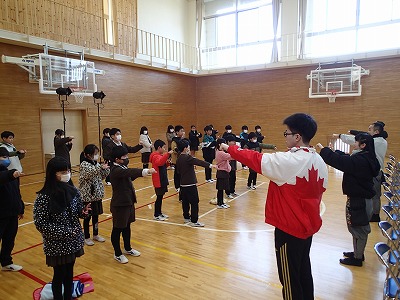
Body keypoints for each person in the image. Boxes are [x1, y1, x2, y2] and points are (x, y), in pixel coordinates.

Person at [219, 113, 328, 300]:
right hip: (307, 227)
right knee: (303, 272)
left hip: (290, 229)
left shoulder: (291, 161)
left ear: (297, 136)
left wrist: (232, 149)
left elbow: (258, 160)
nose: (285, 136)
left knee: (290, 280)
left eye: (287, 133)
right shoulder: (318, 160)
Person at [317, 133, 380, 267]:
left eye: (356, 142)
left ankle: (358, 258)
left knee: (359, 228)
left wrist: (324, 151)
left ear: (363, 145)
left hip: (360, 201)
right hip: (360, 199)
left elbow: (343, 162)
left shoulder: (362, 160)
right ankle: (357, 252)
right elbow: (347, 158)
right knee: (356, 226)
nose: (354, 144)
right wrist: (333, 151)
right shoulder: (365, 157)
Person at [33, 156, 90, 300]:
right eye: (62, 171)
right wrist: (66, 232)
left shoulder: (73, 191)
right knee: (59, 275)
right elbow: (41, 224)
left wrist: (83, 212)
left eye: (68, 170)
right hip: (57, 245)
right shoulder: (44, 197)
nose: (67, 174)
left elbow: (77, 212)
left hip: (73, 242)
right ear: (53, 174)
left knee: (69, 273)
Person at [333, 120, 388, 222]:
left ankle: (374, 215)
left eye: (370, 129)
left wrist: (341, 136)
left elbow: (357, 139)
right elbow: (363, 135)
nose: (368, 131)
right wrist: (354, 131)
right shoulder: (381, 140)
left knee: (374, 195)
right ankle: (372, 213)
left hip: (374, 172)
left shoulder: (376, 141)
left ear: (376, 132)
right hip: (374, 171)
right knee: (373, 195)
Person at [109, 146, 156, 264]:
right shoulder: (115, 169)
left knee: (127, 226)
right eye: (124, 156)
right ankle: (117, 253)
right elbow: (128, 172)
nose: (126, 158)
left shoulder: (122, 166)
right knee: (117, 229)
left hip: (128, 201)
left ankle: (127, 248)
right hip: (120, 204)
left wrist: (141, 174)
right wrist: (144, 171)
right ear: (117, 159)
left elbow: (129, 176)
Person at [176, 139, 216, 227]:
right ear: (185, 148)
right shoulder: (187, 157)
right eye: (188, 147)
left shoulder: (179, 158)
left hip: (183, 184)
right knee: (194, 202)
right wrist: (210, 165)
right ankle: (194, 221)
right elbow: (199, 162)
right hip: (190, 184)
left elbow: (178, 172)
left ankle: (186, 217)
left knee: (185, 202)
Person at [79, 144, 110, 246]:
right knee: (87, 217)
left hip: (97, 195)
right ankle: (86, 236)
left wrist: (106, 169)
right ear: (88, 155)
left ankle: (95, 234)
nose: (97, 155)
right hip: (88, 196)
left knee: (96, 216)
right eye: (95, 154)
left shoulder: (96, 164)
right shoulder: (84, 164)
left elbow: (100, 176)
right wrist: (100, 167)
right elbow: (89, 174)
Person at [0, 147, 24, 272]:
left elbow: (17, 193)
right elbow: (3, 177)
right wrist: (11, 174)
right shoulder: (9, 174)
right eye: (3, 157)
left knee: (9, 239)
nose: (6, 160)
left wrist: (21, 208)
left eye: (7, 157)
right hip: (1, 214)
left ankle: (6, 262)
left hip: (12, 213)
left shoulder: (12, 174)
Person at [149, 140, 173, 221]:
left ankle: (159, 213)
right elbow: (159, 162)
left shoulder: (159, 155)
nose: (164, 149)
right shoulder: (155, 156)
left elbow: (162, 165)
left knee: (161, 196)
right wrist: (168, 154)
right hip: (158, 180)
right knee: (159, 198)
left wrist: (167, 163)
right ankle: (156, 214)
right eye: (163, 147)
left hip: (162, 178)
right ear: (159, 148)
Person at [215, 138, 232, 208]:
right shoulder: (221, 153)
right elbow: (231, 156)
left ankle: (221, 202)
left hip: (223, 172)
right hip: (222, 173)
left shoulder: (219, 151)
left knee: (221, 189)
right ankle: (220, 204)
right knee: (220, 189)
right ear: (220, 144)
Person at [170, 125, 185, 192]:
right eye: (181, 131)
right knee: (177, 173)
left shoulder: (182, 140)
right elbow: (174, 149)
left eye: (183, 131)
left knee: (182, 173)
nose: (182, 132)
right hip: (177, 159)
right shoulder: (174, 141)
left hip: (182, 159)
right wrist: (180, 152)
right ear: (177, 132)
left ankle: (181, 184)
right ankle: (177, 186)